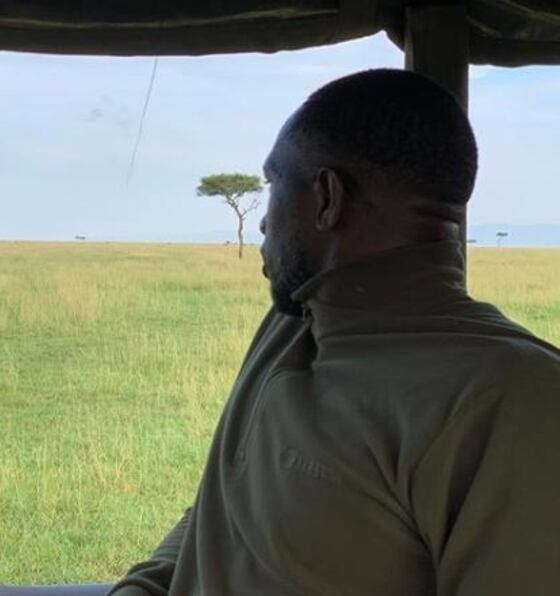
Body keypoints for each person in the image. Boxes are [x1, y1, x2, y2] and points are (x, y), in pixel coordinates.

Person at [108, 69, 560, 595]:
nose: (260, 221)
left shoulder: (515, 400)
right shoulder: (291, 323)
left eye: (273, 185)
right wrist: (143, 587)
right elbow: (223, 505)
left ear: (327, 197)